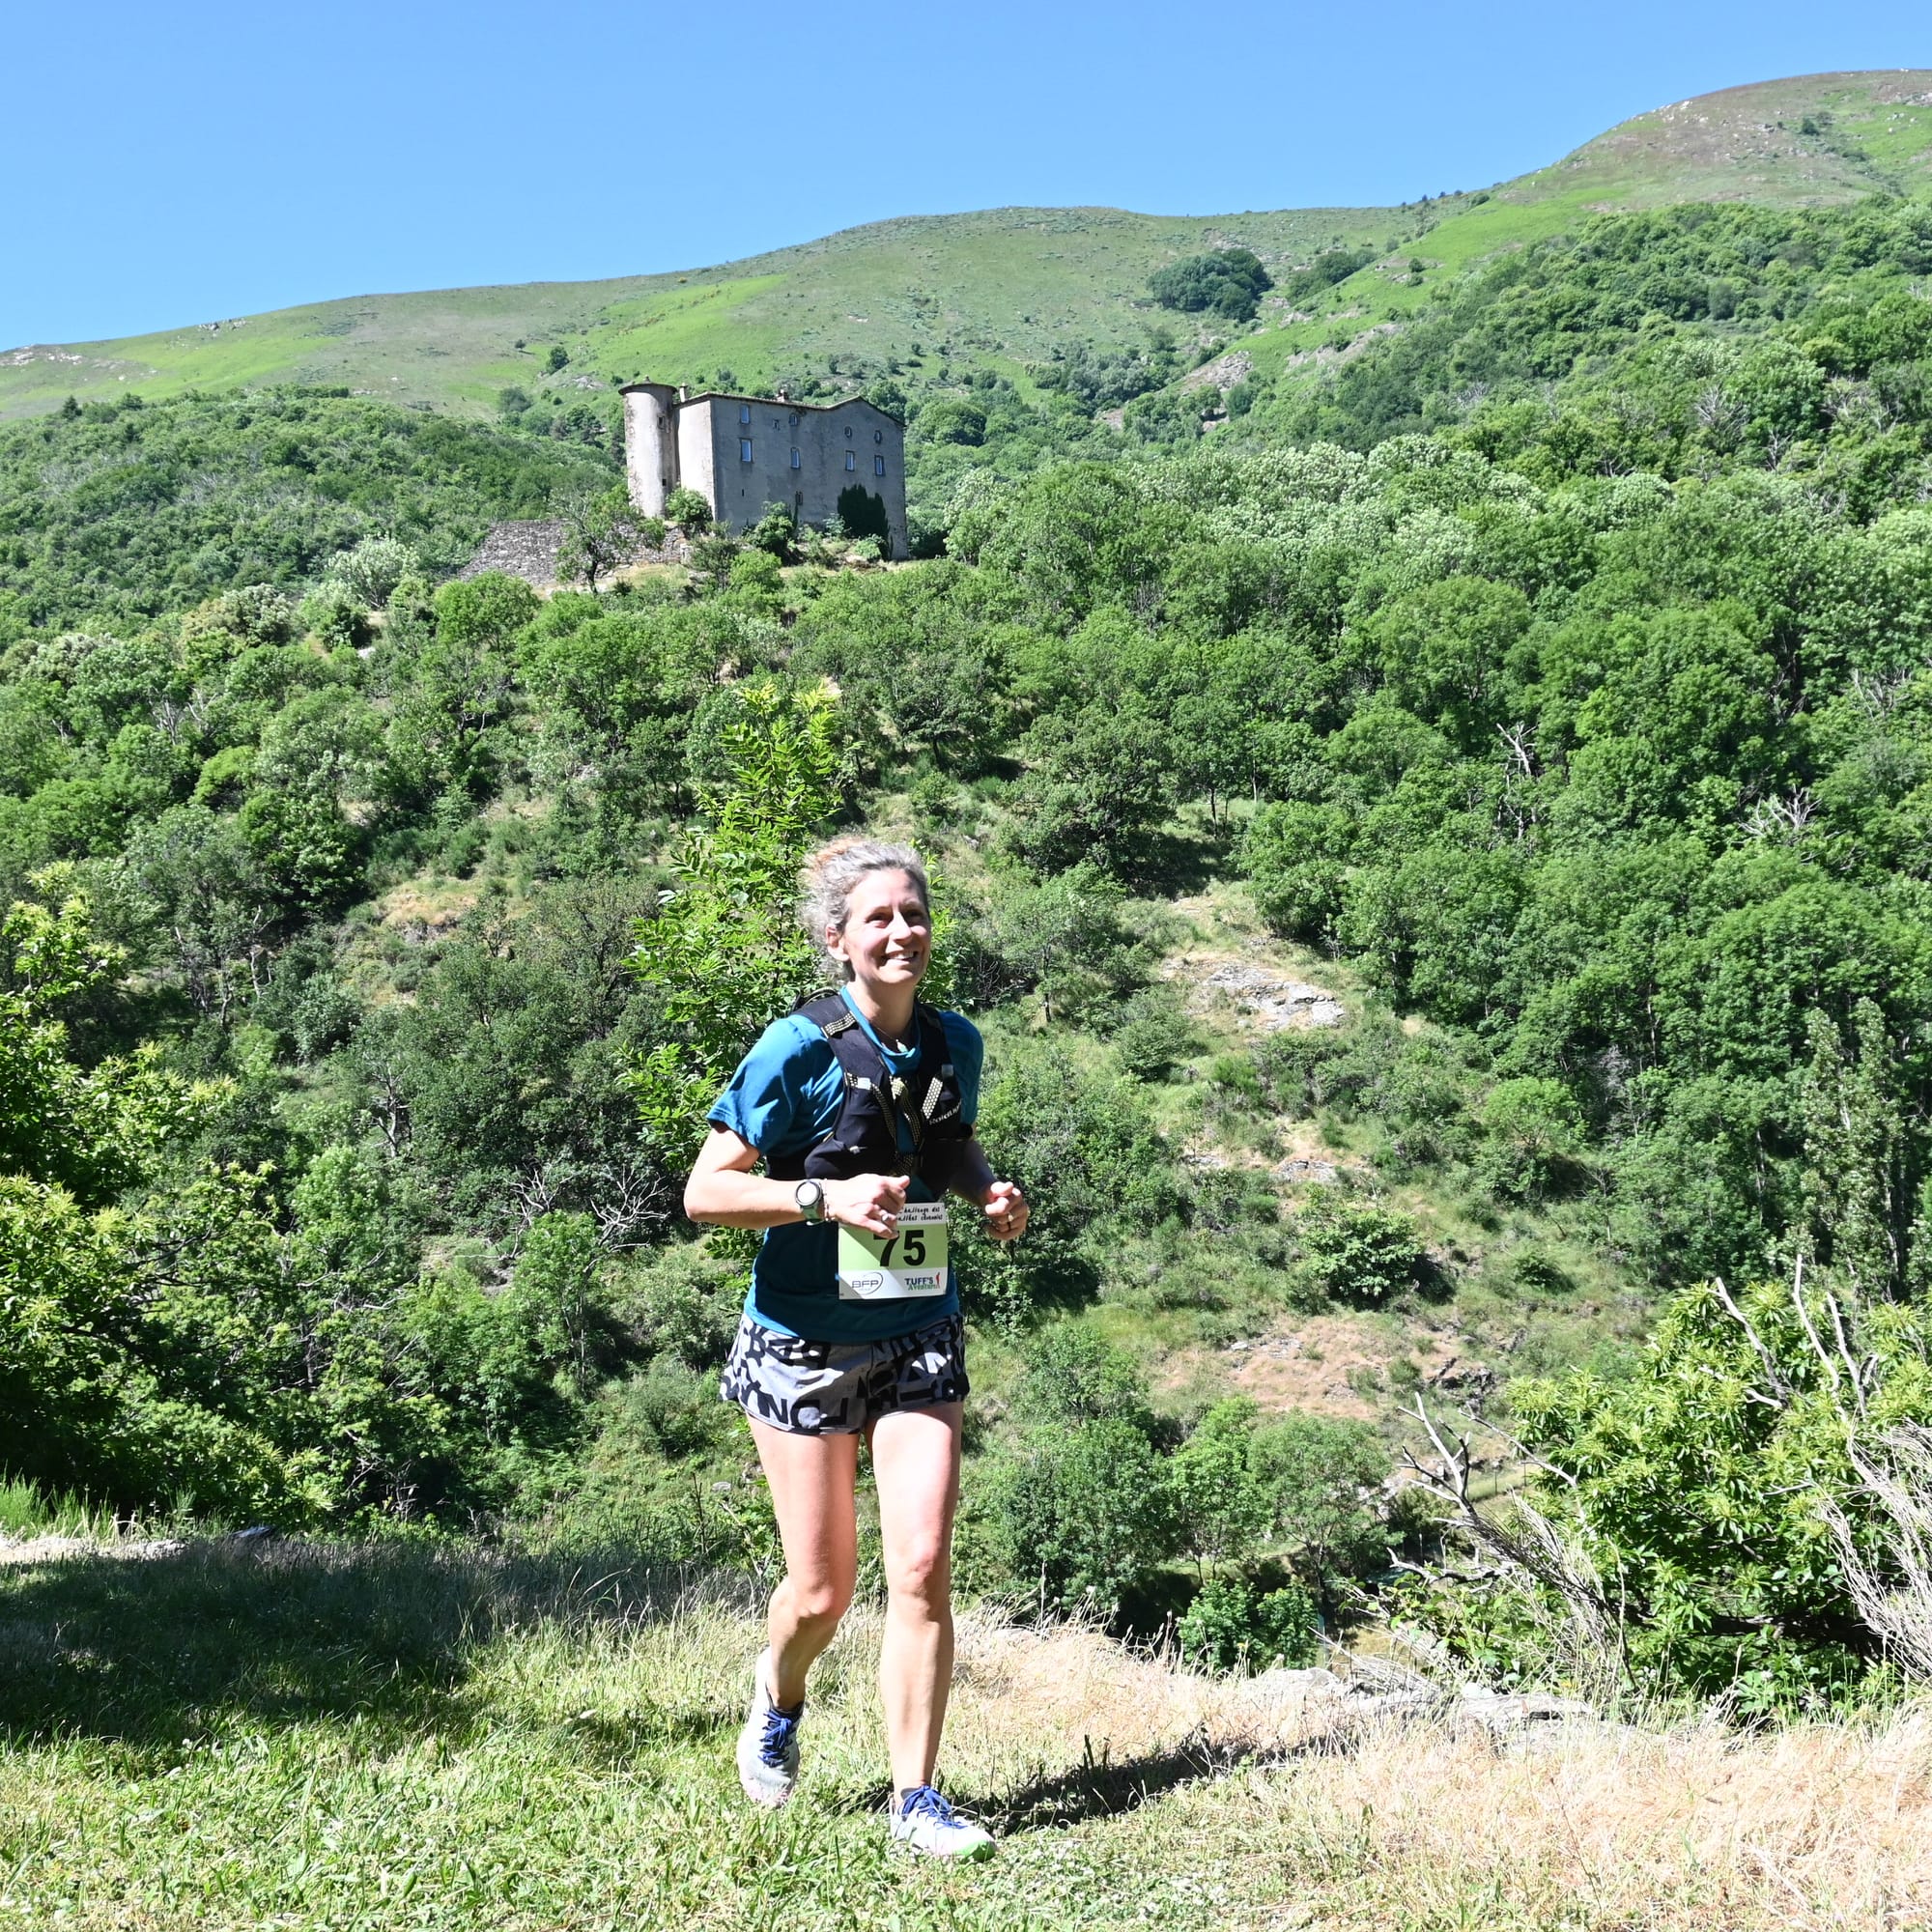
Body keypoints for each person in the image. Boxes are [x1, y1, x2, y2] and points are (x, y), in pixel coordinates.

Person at [684, 836, 1029, 1860]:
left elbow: (946, 1135)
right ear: (838, 940)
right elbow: (704, 1192)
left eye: (912, 914)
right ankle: (777, 1692)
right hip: (800, 1342)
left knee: (920, 1562)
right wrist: (818, 1195)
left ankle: (913, 1796)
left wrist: (983, 1191)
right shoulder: (792, 1049)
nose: (900, 931)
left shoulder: (952, 1040)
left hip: (917, 1323)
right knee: (823, 1590)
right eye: (876, 917)